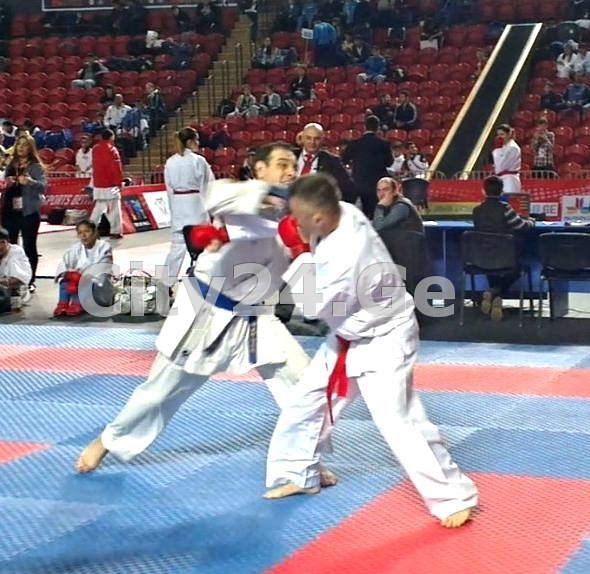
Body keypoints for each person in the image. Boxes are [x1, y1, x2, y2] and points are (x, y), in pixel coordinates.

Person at [75, 142, 316, 475]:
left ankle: (304, 458)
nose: (290, 171)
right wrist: (272, 195)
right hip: (206, 313)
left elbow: (306, 278)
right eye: (282, 164)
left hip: (256, 316)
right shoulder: (237, 195)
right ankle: (108, 440)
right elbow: (216, 197)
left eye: (293, 165)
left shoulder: (295, 219)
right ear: (260, 169)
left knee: (304, 382)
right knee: (162, 391)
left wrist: (303, 245)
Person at [264, 173, 478, 529]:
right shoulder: (343, 211)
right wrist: (273, 194)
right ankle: (299, 473)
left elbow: (313, 307)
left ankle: (453, 496)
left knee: (398, 420)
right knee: (306, 401)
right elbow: (312, 199)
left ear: (317, 218)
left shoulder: (347, 253)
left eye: (298, 219)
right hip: (349, 333)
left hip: (385, 339)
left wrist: (299, 252)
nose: (294, 224)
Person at [472, 175, 535, 321]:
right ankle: (495, 293)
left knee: (491, 268)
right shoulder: (505, 208)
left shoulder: (477, 211)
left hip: (481, 257)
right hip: (505, 257)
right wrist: (532, 221)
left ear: (483, 191)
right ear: (501, 192)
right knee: (516, 269)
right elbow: (522, 226)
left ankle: (493, 296)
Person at [161, 127, 215, 287]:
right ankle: (205, 281)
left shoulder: (170, 162)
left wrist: (174, 210)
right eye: (196, 140)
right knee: (205, 246)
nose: (198, 143)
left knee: (177, 248)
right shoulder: (198, 161)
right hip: (196, 206)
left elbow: (169, 189)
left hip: (178, 206)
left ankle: (165, 284)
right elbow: (208, 185)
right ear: (190, 142)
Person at [1, 134, 47, 294]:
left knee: (29, 246)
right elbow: (3, 182)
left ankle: (30, 280)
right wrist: (7, 182)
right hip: (10, 211)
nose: (21, 147)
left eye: (24, 144)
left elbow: (44, 187)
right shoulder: (10, 164)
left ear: (30, 148)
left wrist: (30, 182)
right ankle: (10, 279)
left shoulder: (36, 167)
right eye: (19, 144)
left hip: (29, 212)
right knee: (9, 246)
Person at [53, 220, 114, 317]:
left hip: (97, 288)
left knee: (87, 283)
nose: (83, 236)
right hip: (77, 283)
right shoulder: (75, 248)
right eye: (80, 233)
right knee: (64, 281)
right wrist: (68, 274)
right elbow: (64, 263)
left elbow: (102, 269)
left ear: (94, 232)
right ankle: (62, 304)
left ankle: (78, 304)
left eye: (87, 231)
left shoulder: (104, 247)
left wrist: (82, 277)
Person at [90, 129, 124, 240]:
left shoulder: (95, 149)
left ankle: (90, 229)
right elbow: (116, 168)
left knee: (98, 209)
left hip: (98, 184)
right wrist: (119, 183)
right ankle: (116, 231)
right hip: (111, 185)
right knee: (114, 209)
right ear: (111, 137)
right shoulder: (112, 150)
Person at [0, 226, 32, 312]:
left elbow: (18, 280)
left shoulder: (16, 252)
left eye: (2, 242)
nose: (0, 246)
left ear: (8, 242)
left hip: (13, 291)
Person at [492, 124, 521, 194]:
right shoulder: (504, 147)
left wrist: (498, 149)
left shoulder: (512, 148)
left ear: (508, 134)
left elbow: (501, 166)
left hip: (510, 180)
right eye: (498, 135)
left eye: (502, 134)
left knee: (509, 199)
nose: (500, 137)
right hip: (503, 179)